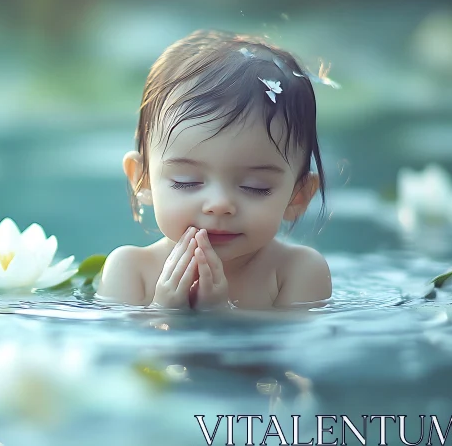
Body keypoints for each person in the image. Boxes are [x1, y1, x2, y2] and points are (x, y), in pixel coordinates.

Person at [97, 30, 332, 310]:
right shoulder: (131, 270)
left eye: (255, 186)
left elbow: (295, 349)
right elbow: (120, 349)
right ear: (142, 179)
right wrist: (163, 312)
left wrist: (222, 317)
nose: (219, 205)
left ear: (298, 196)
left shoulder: (297, 271)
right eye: (186, 181)